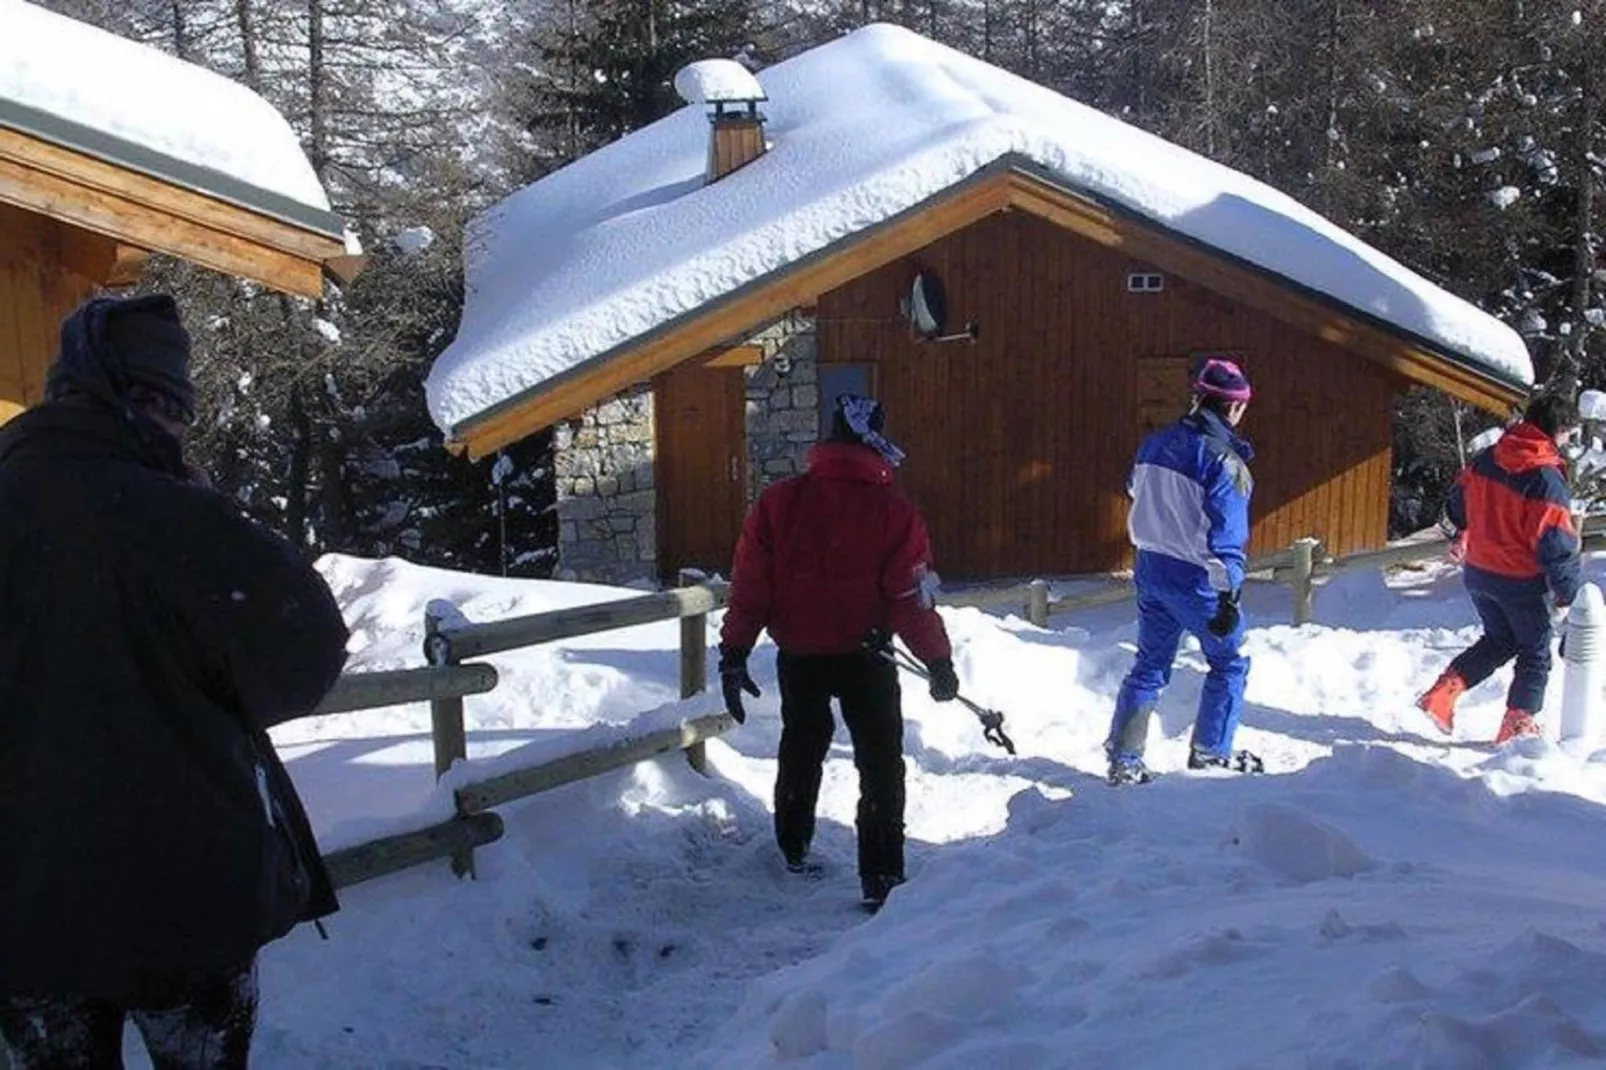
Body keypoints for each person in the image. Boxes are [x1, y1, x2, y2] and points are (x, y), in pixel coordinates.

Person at [0, 295, 351, 1068]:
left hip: (22, 907)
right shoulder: (179, 519)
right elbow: (306, 659)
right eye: (177, 409)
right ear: (151, 402)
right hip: (184, 897)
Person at [718, 394, 958, 911]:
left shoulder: (778, 503)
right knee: (879, 760)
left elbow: (750, 587)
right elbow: (910, 598)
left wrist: (735, 651)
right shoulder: (896, 513)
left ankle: (792, 843)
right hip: (868, 656)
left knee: (802, 745)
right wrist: (938, 660)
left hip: (799, 654)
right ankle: (881, 874)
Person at [1104, 357, 1259, 786]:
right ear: (1232, 408)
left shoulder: (1154, 443)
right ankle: (1211, 751)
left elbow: (1135, 489)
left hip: (1150, 567)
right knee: (1230, 662)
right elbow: (1227, 538)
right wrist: (1229, 596)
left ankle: (1125, 757)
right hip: (1197, 578)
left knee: (1150, 665)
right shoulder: (1226, 463)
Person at [1418, 392, 1582, 743]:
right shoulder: (1545, 477)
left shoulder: (1487, 458)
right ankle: (1517, 727)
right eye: (1569, 433)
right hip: (1520, 579)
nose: (1569, 441)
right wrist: (1570, 593)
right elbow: (1556, 543)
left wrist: (1470, 528)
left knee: (1500, 640)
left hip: (1479, 573)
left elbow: (1456, 505)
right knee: (1535, 652)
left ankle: (1443, 693)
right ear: (1558, 430)